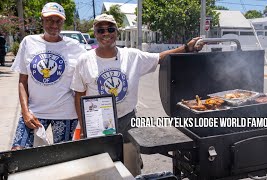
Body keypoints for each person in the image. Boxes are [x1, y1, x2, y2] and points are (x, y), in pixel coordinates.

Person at [71, 14, 204, 176]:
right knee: (102, 170)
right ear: (95, 33)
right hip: (98, 123)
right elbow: (79, 95)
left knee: (130, 169)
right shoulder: (84, 60)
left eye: (110, 29)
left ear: (117, 32)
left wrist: (186, 48)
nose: (106, 33)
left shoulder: (132, 56)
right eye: (101, 30)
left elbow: (159, 58)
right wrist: (83, 125)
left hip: (128, 122)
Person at [10, 2, 87, 150]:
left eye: (58, 21)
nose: (54, 25)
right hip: (35, 112)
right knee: (18, 153)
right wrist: (25, 112)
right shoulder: (29, 42)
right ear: (42, 20)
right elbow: (22, 81)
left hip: (65, 114)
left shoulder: (75, 47)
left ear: (63, 22)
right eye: (49, 20)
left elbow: (90, 70)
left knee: (61, 158)